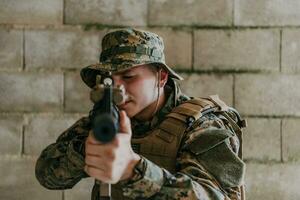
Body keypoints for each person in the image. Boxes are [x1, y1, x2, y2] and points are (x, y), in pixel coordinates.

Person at [35, 28, 246, 200]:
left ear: (161, 78)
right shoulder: (105, 118)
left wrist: (132, 169)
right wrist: (85, 152)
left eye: (128, 77)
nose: (118, 90)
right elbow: (46, 175)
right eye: (109, 80)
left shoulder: (200, 124)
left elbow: (212, 196)